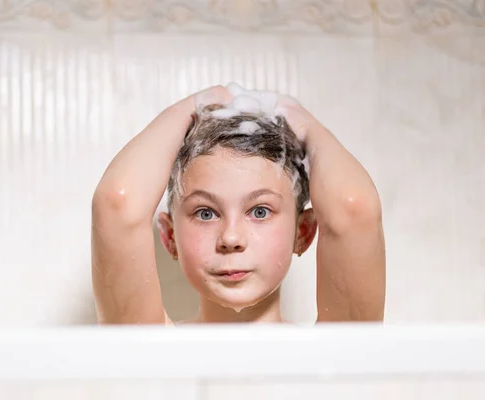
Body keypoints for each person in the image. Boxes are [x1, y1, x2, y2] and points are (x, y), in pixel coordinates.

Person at [91, 83, 385, 324]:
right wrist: (191, 107)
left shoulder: (329, 352)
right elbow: (118, 204)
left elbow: (353, 209)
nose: (231, 238)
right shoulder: (152, 349)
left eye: (260, 211)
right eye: (205, 213)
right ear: (170, 238)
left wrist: (304, 123)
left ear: (303, 232)